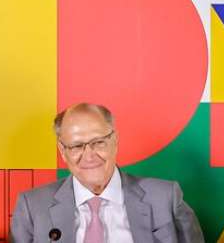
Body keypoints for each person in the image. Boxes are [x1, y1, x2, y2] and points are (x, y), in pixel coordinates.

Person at [10, 103, 203, 243]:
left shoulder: (165, 198)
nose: (89, 155)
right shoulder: (33, 207)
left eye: (98, 142)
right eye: (77, 146)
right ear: (62, 151)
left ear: (115, 140)